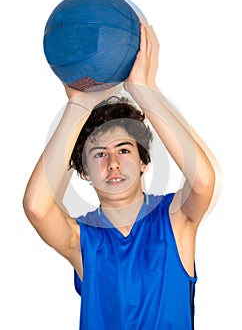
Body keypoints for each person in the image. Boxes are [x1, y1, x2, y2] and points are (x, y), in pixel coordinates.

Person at [23, 24, 219, 329]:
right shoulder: (82, 240)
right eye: (99, 153)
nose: (113, 163)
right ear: (85, 172)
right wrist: (79, 105)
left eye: (124, 150)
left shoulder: (175, 220)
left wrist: (143, 90)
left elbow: (203, 181)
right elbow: (36, 207)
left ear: (144, 162)